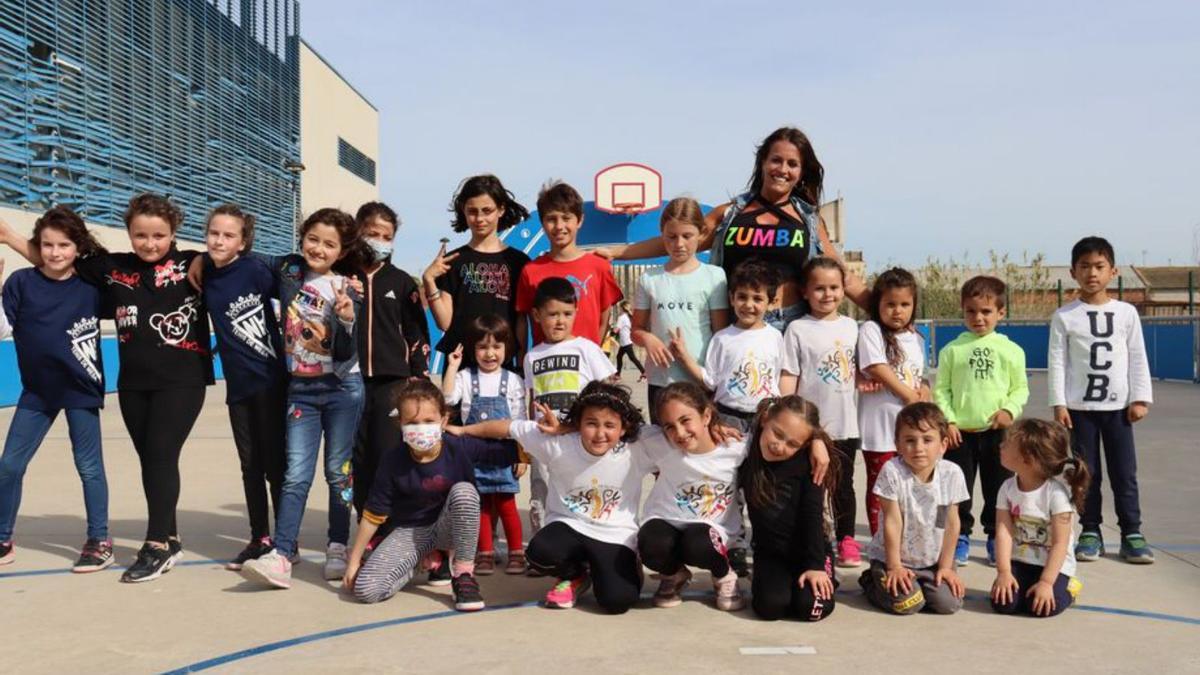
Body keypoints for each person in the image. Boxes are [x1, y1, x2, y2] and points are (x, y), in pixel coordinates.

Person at [2, 194, 215, 583]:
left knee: (160, 455)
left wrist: (205, 256)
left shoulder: (191, 264)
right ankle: (169, 531)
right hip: (133, 384)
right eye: (140, 235)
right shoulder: (112, 269)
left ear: (174, 234)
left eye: (159, 235)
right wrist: (11, 237)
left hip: (181, 380)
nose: (149, 243)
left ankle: (156, 546)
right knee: (151, 461)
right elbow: (55, 259)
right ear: (129, 233)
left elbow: (237, 270)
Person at [598, 127, 868, 331]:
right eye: (776, 160)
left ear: (800, 172)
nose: (782, 169)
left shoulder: (808, 219)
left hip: (791, 324)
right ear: (762, 161)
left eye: (792, 164)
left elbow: (841, 275)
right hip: (735, 322)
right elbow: (676, 241)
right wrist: (617, 252)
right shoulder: (730, 214)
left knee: (787, 407)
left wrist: (886, 311)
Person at [238, 208, 369, 588]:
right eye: (313, 238)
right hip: (301, 390)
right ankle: (281, 553)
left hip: (342, 388)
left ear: (342, 251)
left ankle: (336, 545)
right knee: (295, 473)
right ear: (302, 238)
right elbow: (247, 255)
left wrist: (346, 317)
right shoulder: (290, 271)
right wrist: (203, 255)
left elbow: (348, 349)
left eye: (330, 244)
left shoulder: (348, 288)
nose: (319, 248)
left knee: (336, 471)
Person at [454, 381, 651, 614]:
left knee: (616, 601)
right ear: (578, 424)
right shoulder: (558, 444)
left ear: (624, 427)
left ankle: (625, 565)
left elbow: (679, 431)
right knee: (539, 553)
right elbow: (508, 427)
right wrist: (463, 430)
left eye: (610, 425)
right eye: (591, 423)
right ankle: (575, 576)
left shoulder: (639, 447)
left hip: (616, 536)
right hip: (570, 525)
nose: (600, 433)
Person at [343, 379, 520, 611]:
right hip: (412, 532)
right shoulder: (393, 459)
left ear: (444, 420)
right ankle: (423, 561)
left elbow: (506, 447)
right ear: (400, 424)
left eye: (428, 421)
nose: (420, 427)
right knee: (366, 589)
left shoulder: (459, 447)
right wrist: (354, 561)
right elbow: (373, 514)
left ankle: (463, 574)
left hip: (451, 530)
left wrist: (525, 451)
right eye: (412, 422)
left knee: (465, 492)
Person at [0, 207, 110, 572]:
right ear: (38, 246)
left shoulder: (92, 287)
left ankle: (98, 539)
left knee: (89, 467)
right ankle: (3, 538)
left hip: (80, 390)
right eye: (47, 245)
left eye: (64, 245)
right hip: (37, 392)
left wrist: (13, 239)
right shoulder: (20, 283)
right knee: (10, 466)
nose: (55, 252)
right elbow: (2, 329)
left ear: (78, 247)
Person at [1049, 236, 1154, 564]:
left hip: (1119, 410)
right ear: (1073, 272)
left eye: (1099, 266)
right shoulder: (1065, 316)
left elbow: (1137, 356)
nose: (1091, 273)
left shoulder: (1126, 313)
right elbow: (1057, 361)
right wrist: (1059, 403)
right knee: (1086, 473)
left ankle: (1132, 533)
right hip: (1081, 411)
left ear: (1113, 271)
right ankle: (1090, 530)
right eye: (1084, 267)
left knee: (1125, 472)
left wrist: (1140, 398)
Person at [199, 205, 288, 570]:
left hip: (272, 382)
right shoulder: (204, 274)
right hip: (238, 388)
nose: (219, 240)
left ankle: (285, 538)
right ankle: (259, 537)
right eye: (214, 233)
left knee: (275, 466)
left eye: (228, 235)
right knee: (249, 465)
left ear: (243, 242)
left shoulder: (254, 270)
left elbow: (294, 285)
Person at [934, 275, 1029, 567]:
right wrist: (948, 422)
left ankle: (994, 535)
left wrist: (1009, 411)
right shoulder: (952, 350)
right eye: (971, 311)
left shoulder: (1011, 350)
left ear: (1001, 313)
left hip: (997, 434)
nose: (978, 317)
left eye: (986, 311)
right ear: (963, 311)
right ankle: (958, 535)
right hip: (959, 433)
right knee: (956, 487)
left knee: (997, 487)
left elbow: (1020, 388)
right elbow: (941, 390)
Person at [351, 201, 430, 556]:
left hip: (392, 382)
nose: (380, 241)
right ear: (358, 232)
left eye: (387, 236)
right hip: (348, 381)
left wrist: (418, 379)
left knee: (387, 456)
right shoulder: (342, 274)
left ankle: (392, 529)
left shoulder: (401, 283)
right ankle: (363, 526)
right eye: (373, 233)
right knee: (355, 458)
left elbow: (417, 334)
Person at [636, 382, 747, 611]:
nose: (679, 433)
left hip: (711, 531)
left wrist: (817, 441)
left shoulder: (735, 448)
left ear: (706, 416)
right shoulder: (659, 444)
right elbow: (617, 422)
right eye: (669, 426)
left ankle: (723, 574)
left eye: (686, 420)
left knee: (699, 543)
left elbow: (774, 429)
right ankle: (674, 574)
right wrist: (566, 428)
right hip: (665, 520)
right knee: (649, 543)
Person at [780, 257, 862, 568]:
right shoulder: (797, 329)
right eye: (819, 288)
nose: (827, 294)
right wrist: (786, 413)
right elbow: (789, 373)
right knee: (812, 486)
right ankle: (815, 538)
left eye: (834, 287)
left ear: (843, 290)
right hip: (810, 428)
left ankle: (847, 539)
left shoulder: (852, 326)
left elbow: (864, 370)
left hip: (845, 425)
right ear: (804, 291)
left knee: (843, 486)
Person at [522, 277, 617, 536]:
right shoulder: (532, 356)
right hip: (543, 437)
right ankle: (542, 542)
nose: (560, 321)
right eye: (552, 314)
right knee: (541, 489)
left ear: (576, 313)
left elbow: (609, 390)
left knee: (581, 487)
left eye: (567, 313)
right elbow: (531, 397)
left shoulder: (586, 348)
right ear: (537, 315)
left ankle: (589, 536)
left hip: (578, 435)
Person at [858, 403, 969, 615]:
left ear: (943, 444)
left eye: (927, 440)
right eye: (910, 440)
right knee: (909, 604)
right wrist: (894, 567)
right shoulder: (892, 471)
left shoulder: (951, 474)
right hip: (894, 558)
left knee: (949, 604)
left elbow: (948, 521)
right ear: (897, 444)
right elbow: (892, 520)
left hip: (931, 561)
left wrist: (945, 566)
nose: (918, 447)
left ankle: (920, 584)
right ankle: (873, 580)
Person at [442, 315, 528, 575]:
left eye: (496, 347)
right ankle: (485, 554)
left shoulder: (513, 380)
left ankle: (516, 553)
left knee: (506, 505)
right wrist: (452, 367)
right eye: (482, 347)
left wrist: (521, 456)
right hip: (473, 454)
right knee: (480, 506)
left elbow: (520, 420)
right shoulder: (466, 377)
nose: (490, 353)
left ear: (506, 349)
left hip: (504, 452)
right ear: (472, 349)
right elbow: (447, 396)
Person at [741, 396, 840, 622]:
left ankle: (826, 571)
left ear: (804, 445)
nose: (779, 445)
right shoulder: (745, 451)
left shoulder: (809, 463)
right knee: (770, 608)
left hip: (809, 549)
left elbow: (812, 514)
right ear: (765, 420)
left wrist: (816, 565)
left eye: (792, 444)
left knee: (812, 608)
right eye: (777, 433)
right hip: (770, 553)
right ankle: (776, 582)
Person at [630, 197, 728, 420]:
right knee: (663, 445)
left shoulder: (714, 276)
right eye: (671, 237)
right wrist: (648, 338)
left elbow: (721, 336)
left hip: (700, 379)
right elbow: (635, 329)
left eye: (687, 236)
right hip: (660, 382)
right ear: (662, 234)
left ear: (701, 233)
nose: (679, 244)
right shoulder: (649, 279)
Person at [424, 175, 530, 370]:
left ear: (501, 209)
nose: (479, 218)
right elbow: (445, 323)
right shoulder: (453, 261)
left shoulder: (519, 262)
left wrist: (522, 362)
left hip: (503, 369)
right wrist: (429, 280)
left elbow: (522, 320)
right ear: (463, 211)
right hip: (459, 367)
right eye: (472, 211)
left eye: (487, 211)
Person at [991, 419, 1090, 617]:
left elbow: (1060, 544)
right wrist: (1004, 572)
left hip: (1053, 565)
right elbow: (1003, 532)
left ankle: (1070, 588)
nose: (1001, 445)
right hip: (1022, 560)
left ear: (1027, 458)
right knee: (1004, 604)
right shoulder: (1007, 488)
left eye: (1007, 444)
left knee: (1044, 607)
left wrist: (1046, 582)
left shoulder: (1056, 495)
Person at [670, 259, 783, 433]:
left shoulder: (776, 337)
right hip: (728, 419)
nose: (748, 305)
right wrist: (684, 357)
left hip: (766, 419)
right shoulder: (722, 338)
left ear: (771, 302)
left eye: (758, 298)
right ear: (732, 298)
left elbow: (778, 378)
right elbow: (710, 381)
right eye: (742, 297)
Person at [857, 267, 927, 536]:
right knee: (881, 486)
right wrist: (908, 395)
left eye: (905, 304)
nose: (897, 310)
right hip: (880, 431)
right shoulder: (871, 330)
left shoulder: (914, 337)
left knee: (912, 485)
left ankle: (908, 537)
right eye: (890, 304)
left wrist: (923, 392)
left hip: (911, 431)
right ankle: (880, 540)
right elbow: (876, 366)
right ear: (878, 304)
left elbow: (919, 375)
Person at [515, 181, 622, 346]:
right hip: (545, 367)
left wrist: (592, 355)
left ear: (579, 220)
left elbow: (603, 319)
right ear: (542, 223)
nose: (559, 226)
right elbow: (526, 320)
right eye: (551, 219)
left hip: (586, 368)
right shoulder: (530, 271)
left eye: (566, 218)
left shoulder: (599, 267)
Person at [613, 301, 646, 382]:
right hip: (625, 342)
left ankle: (644, 373)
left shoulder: (622, 318)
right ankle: (618, 375)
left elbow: (616, 330)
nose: (619, 309)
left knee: (632, 358)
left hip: (626, 342)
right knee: (619, 357)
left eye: (619, 308)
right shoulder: (627, 317)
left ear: (622, 308)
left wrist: (610, 331)